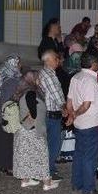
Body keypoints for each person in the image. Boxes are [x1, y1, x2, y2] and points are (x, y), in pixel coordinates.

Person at [66, 53, 98, 194]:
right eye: (97, 62)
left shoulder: (76, 77)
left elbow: (69, 100)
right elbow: (86, 104)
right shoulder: (90, 80)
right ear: (93, 64)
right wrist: (75, 114)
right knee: (90, 156)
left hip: (80, 124)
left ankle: (77, 183)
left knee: (79, 154)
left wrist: (72, 115)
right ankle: (88, 188)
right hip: (90, 123)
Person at [13, 71, 59, 191]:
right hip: (33, 130)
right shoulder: (31, 93)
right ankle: (47, 183)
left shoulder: (23, 92)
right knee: (42, 156)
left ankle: (25, 180)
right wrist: (35, 120)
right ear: (32, 80)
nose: (40, 81)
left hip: (23, 130)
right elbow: (33, 112)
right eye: (38, 78)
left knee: (25, 155)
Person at [38, 50, 68, 182]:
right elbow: (56, 94)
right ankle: (48, 171)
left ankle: (48, 168)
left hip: (49, 113)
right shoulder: (48, 75)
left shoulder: (47, 73)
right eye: (56, 58)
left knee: (49, 144)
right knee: (53, 144)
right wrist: (64, 107)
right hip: (51, 114)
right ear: (49, 60)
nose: (58, 61)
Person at [0, 55, 22, 176]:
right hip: (9, 115)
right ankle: (8, 166)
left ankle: (1, 164)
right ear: (13, 65)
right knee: (8, 141)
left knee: (2, 140)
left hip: (2, 114)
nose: (20, 65)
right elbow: (12, 99)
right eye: (18, 63)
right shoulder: (12, 81)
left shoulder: (4, 77)